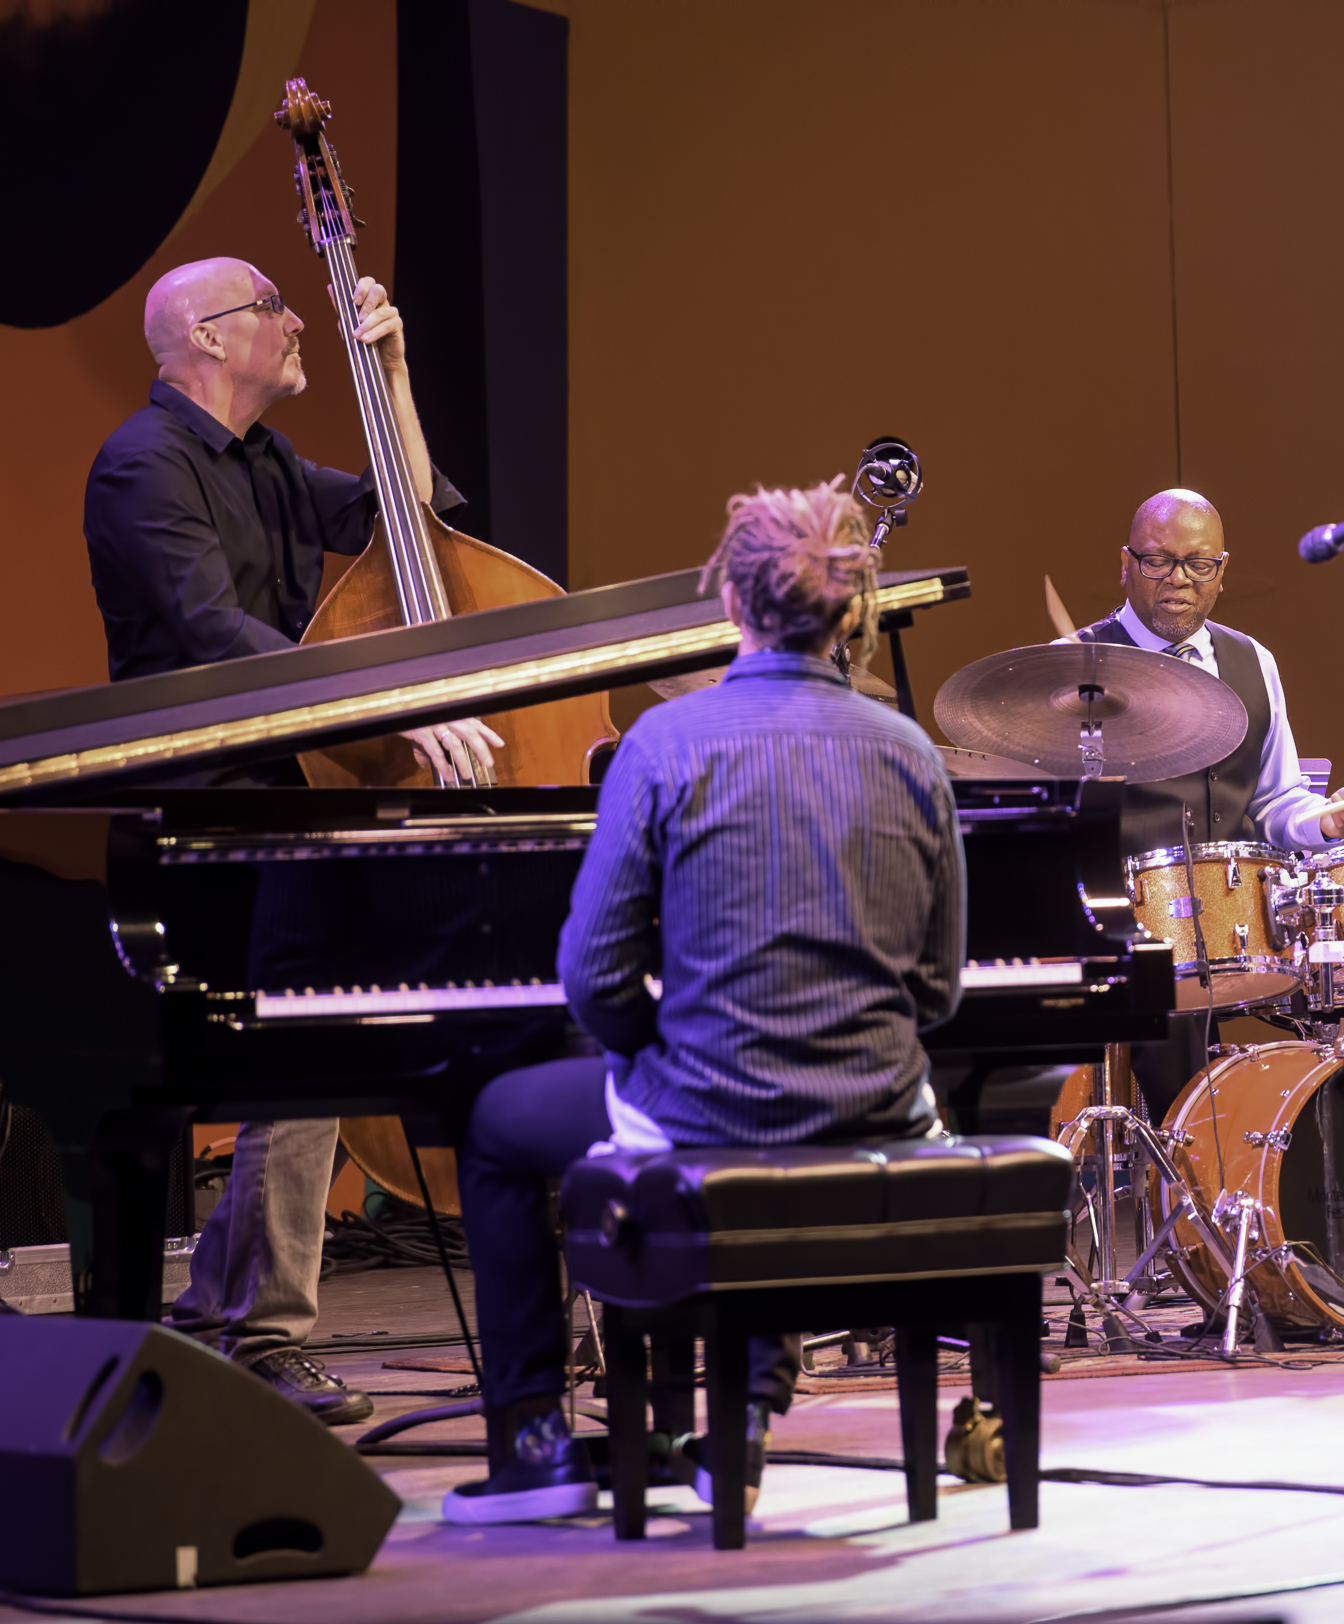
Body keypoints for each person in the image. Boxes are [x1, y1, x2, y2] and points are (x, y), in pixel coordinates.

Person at [441, 479, 965, 1525]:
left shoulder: (665, 746)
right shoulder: (912, 752)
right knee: (783, 1130)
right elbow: (939, 991)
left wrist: (648, 1050)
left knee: (498, 1127)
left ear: (729, 603)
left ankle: (535, 1443)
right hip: (879, 1113)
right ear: (856, 613)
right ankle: (744, 1416)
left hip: (709, 1105)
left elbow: (592, 978)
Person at [82, 257, 500, 1423]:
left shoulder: (265, 459)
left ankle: (245, 1322)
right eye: (273, 304)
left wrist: (397, 379)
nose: (295, 316)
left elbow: (402, 522)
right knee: (292, 1063)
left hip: (291, 793)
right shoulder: (142, 465)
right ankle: (254, 1330)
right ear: (208, 340)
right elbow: (220, 639)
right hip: (203, 815)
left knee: (304, 1059)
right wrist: (398, 710)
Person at [1065, 489, 1344, 1117]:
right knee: (1176, 1049)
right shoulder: (1076, 665)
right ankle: (1189, 1197)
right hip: (1138, 925)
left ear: (1222, 572)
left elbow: (1277, 799)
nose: (1178, 581)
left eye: (1199, 564)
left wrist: (1325, 821)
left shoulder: (1252, 661)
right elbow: (1057, 823)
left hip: (1246, 917)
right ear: (1125, 563)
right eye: (1157, 561)